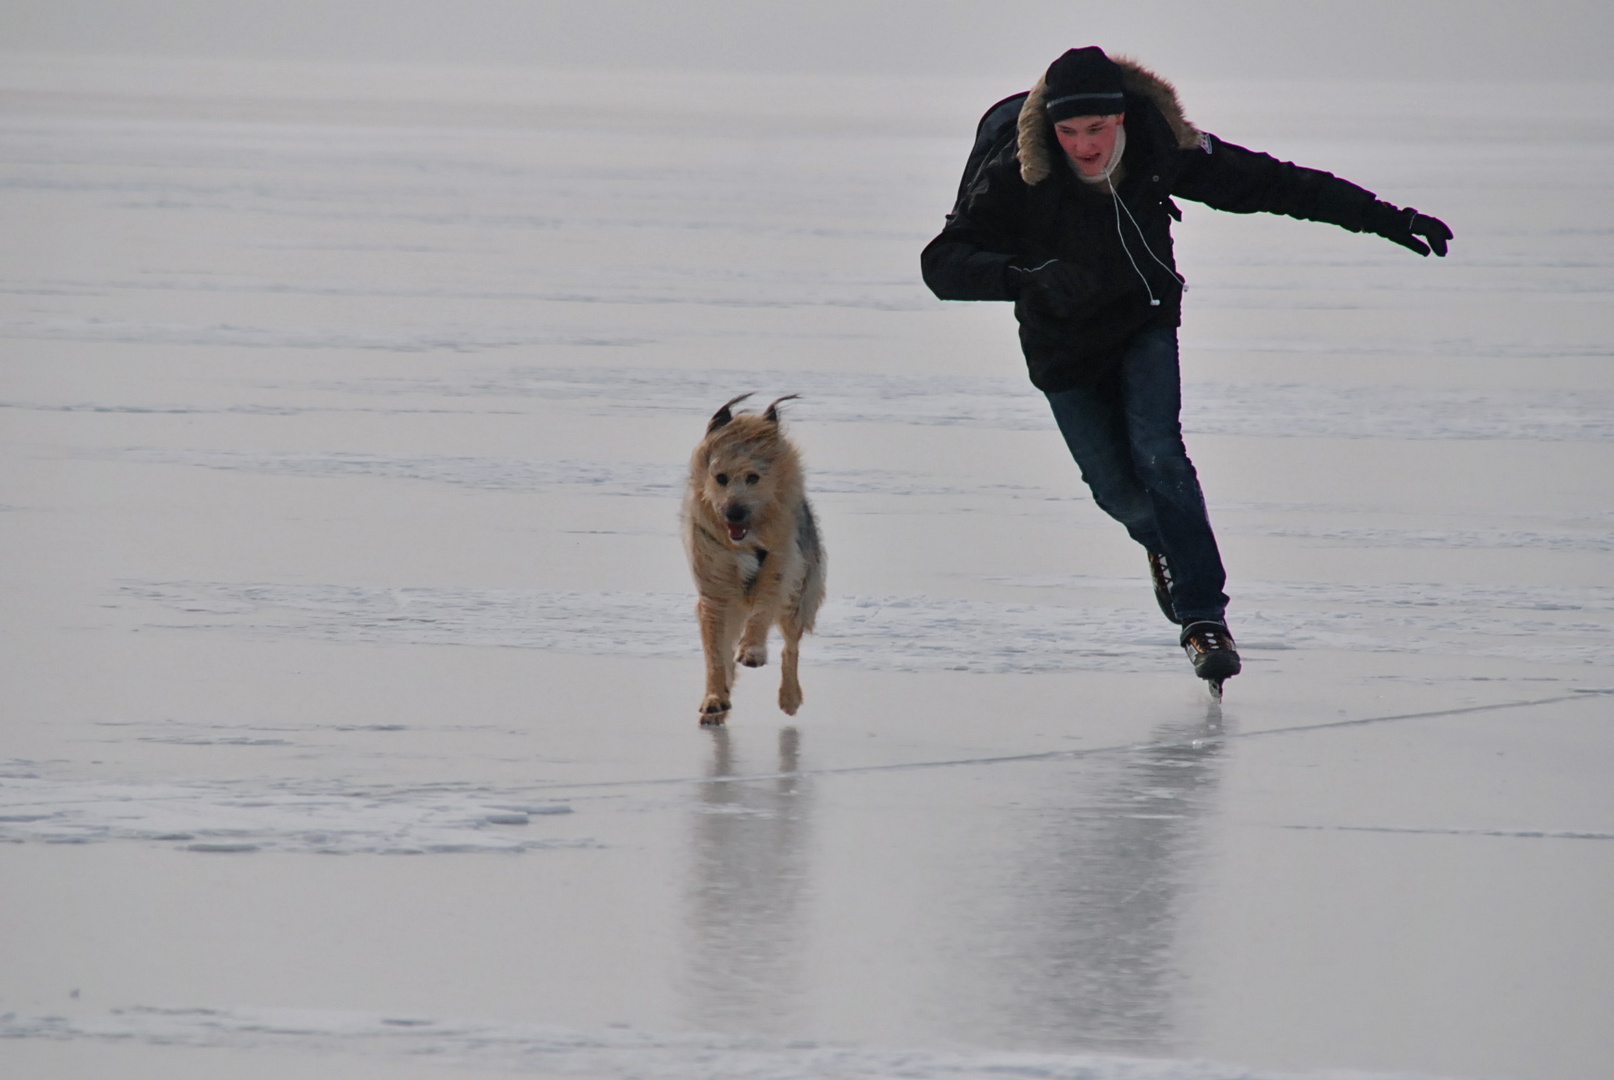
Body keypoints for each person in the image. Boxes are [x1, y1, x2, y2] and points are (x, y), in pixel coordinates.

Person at [920, 46, 1451, 690]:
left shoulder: (1158, 145)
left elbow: (1272, 183)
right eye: (1069, 132)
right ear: (1049, 129)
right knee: (1116, 492)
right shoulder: (1017, 171)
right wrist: (1021, 276)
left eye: (1096, 129)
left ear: (1120, 117)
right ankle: (1166, 548)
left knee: (1160, 454)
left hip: (1143, 319)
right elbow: (943, 263)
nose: (1084, 147)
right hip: (1061, 345)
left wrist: (1385, 219)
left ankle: (1203, 620)